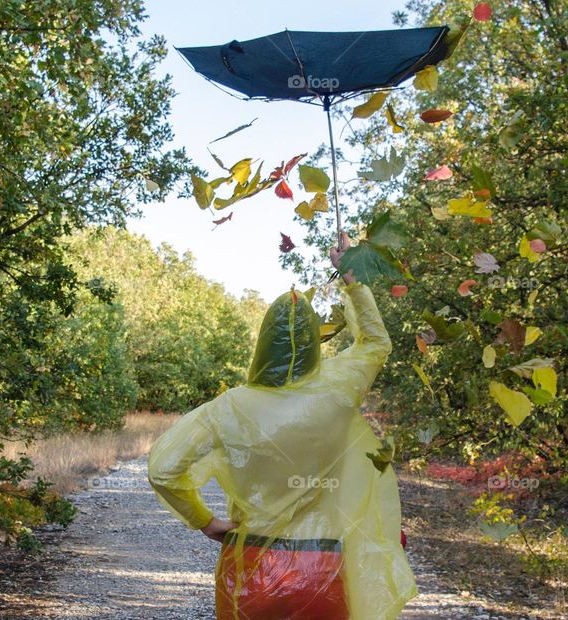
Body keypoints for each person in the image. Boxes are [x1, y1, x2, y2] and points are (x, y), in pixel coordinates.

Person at [147, 232, 416, 620]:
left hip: (249, 565)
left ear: (262, 344)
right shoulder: (338, 391)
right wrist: (351, 278)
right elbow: (375, 343)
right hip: (323, 567)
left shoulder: (229, 408)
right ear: (312, 344)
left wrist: (205, 522)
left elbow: (163, 470)